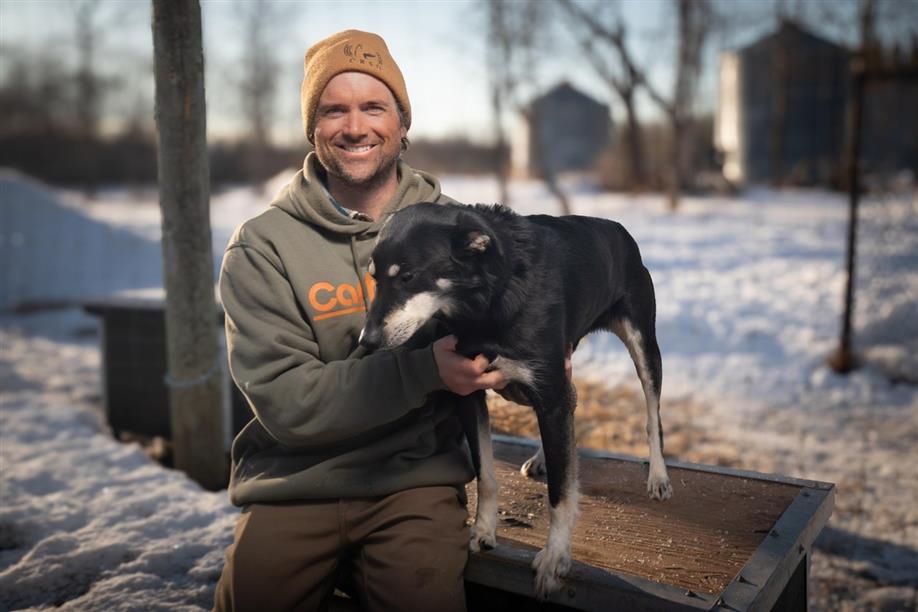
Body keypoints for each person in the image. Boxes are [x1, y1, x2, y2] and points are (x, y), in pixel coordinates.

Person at [213, 30, 507, 612]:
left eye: (373, 107)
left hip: (414, 481)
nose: (354, 127)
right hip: (294, 483)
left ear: (402, 123)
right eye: (333, 110)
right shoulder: (263, 248)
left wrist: (539, 350)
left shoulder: (456, 231)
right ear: (312, 128)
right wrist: (420, 372)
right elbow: (288, 401)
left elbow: (499, 338)